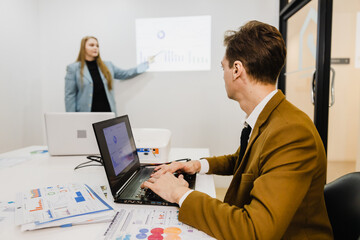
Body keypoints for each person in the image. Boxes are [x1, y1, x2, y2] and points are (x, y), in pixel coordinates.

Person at [141, 21, 333, 240]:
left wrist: (179, 193)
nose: (222, 75)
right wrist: (197, 165)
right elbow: (244, 160)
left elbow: (254, 231)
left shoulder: (292, 134)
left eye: (223, 67)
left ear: (236, 70)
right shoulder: (274, 117)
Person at [65, 36, 153, 114]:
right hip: (86, 116)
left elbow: (126, 74)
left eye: (97, 45)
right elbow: (70, 96)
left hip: (107, 114)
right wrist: (72, 118)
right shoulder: (73, 68)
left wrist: (146, 64)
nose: (95, 48)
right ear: (83, 48)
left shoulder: (108, 66)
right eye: (91, 45)